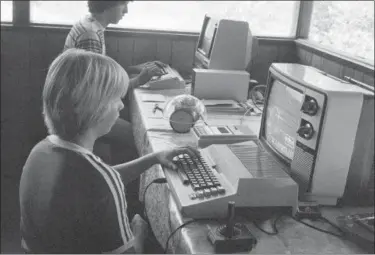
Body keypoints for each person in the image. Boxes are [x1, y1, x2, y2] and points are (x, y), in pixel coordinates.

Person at [19, 48, 198, 254]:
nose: (121, 106)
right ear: (93, 106)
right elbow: (103, 183)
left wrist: (154, 158)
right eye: (116, 99)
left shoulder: (40, 152)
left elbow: (95, 184)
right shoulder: (100, 179)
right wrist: (139, 233)